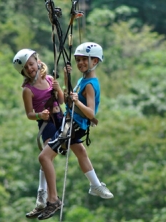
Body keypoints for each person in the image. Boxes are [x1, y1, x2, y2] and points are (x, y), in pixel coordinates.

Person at [37, 42, 114, 220]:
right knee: (81, 153)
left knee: (44, 157)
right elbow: (67, 102)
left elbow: (91, 113)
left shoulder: (89, 85)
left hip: (74, 126)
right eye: (78, 60)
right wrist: (64, 82)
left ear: (95, 61)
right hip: (72, 123)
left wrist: (77, 102)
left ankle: (51, 198)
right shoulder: (82, 80)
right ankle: (95, 185)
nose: (80, 63)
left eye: (84, 60)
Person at [12, 49, 64, 219]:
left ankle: (45, 198)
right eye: (26, 68)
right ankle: (45, 198)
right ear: (23, 72)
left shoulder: (49, 80)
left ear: (37, 61)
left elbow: (61, 101)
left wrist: (58, 89)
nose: (30, 68)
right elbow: (29, 114)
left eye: (31, 64)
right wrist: (40, 115)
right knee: (45, 158)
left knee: (45, 158)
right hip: (46, 125)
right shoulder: (27, 90)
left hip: (60, 121)